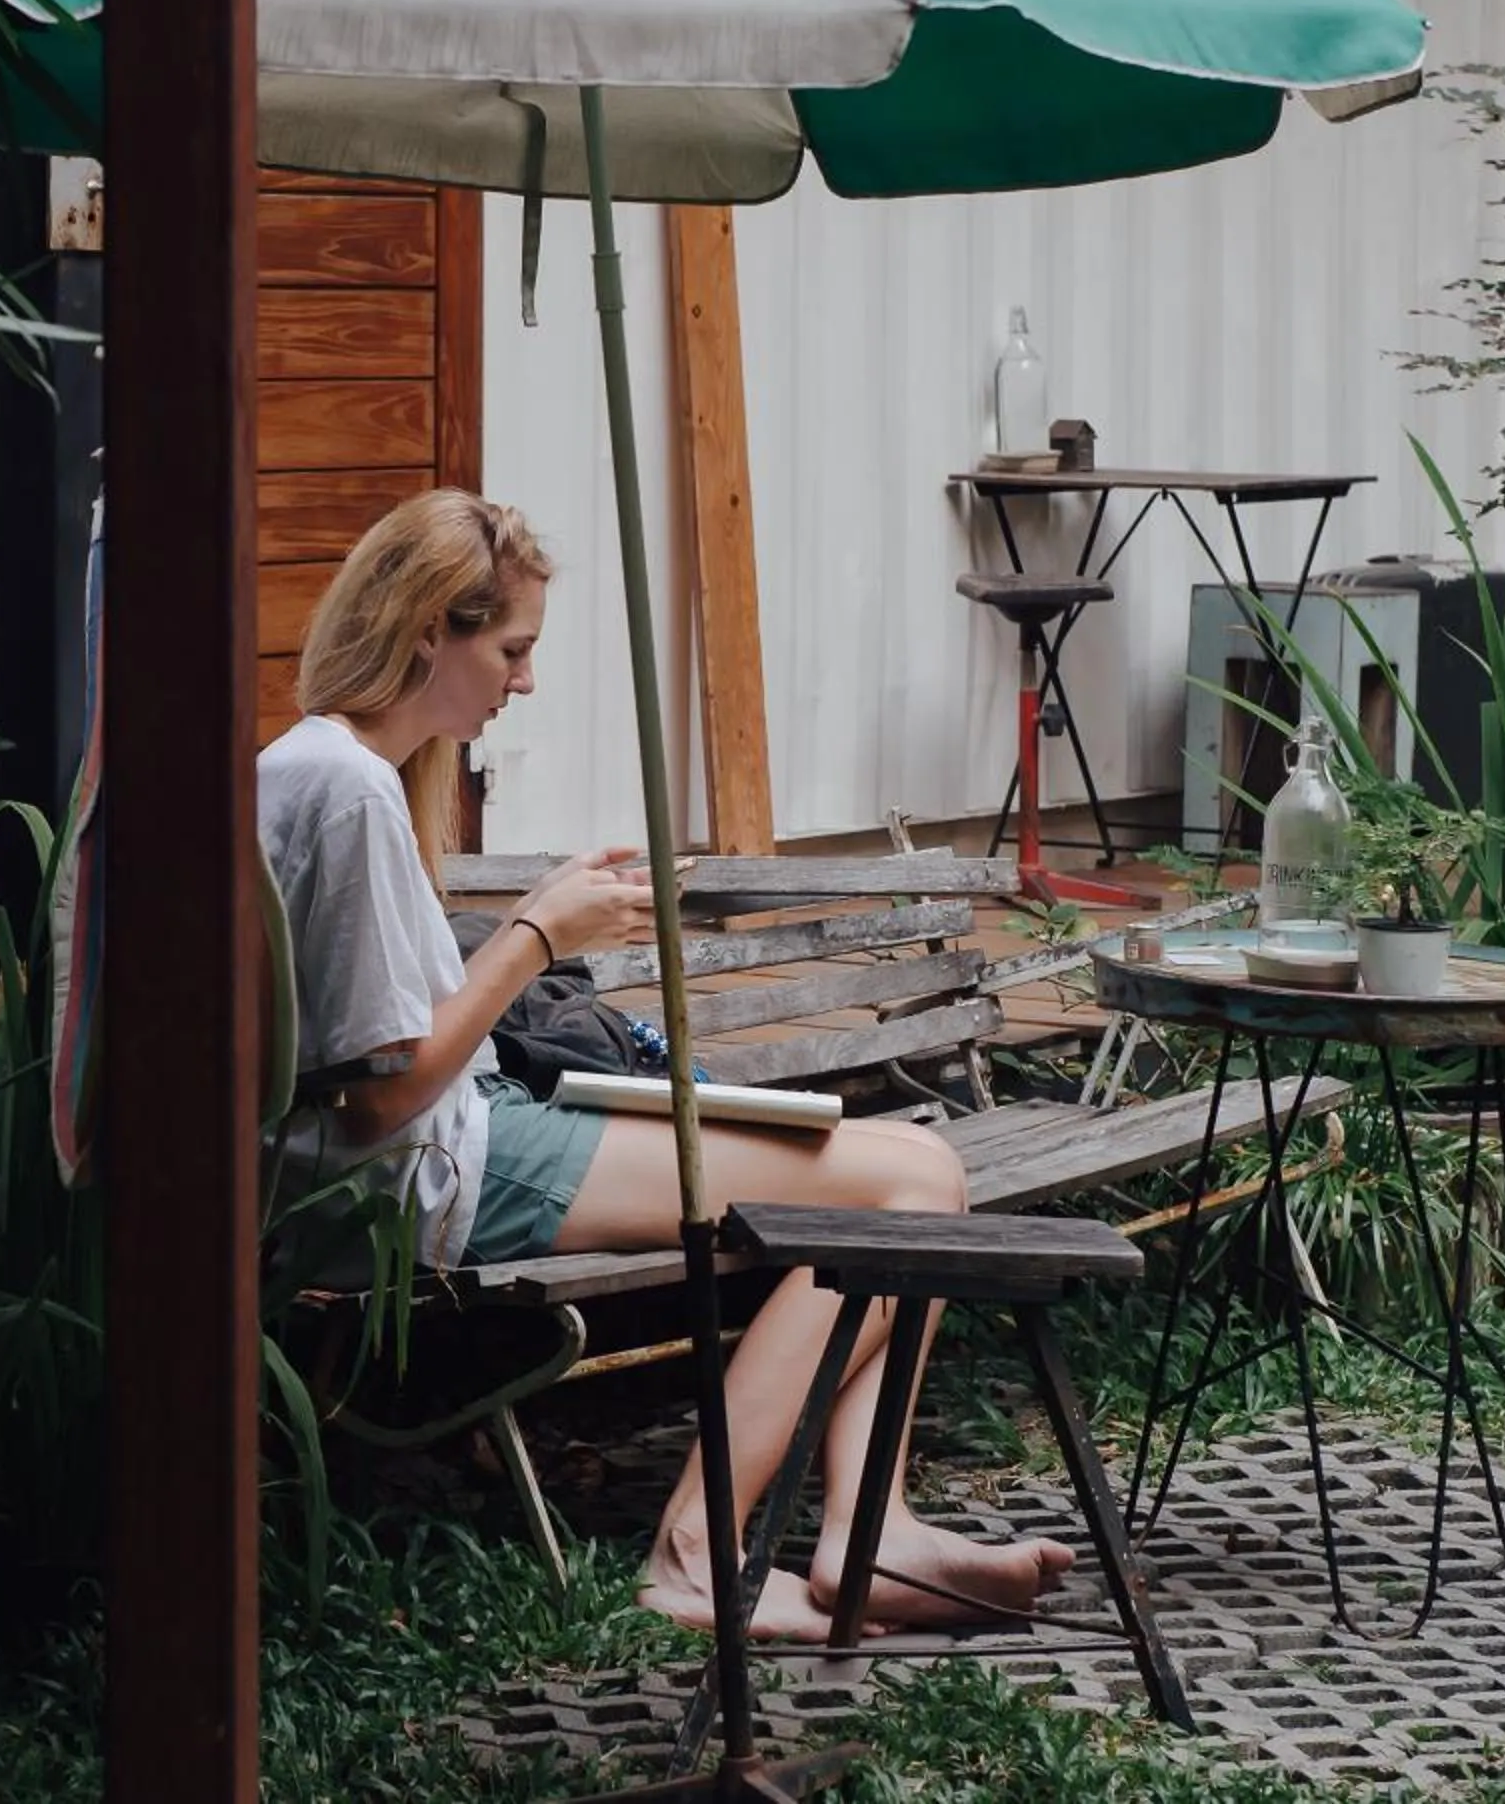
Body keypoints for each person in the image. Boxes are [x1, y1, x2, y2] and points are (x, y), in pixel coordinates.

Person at [257, 490, 1071, 1640]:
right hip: (432, 1172)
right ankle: (702, 1551)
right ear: (430, 627)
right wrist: (540, 930)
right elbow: (386, 1088)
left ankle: (871, 1523)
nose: (523, 682)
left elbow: (384, 1043)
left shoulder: (329, 769)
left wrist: (540, 930)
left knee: (916, 1167)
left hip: (460, 1132)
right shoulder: (342, 788)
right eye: (513, 648)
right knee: (913, 1185)